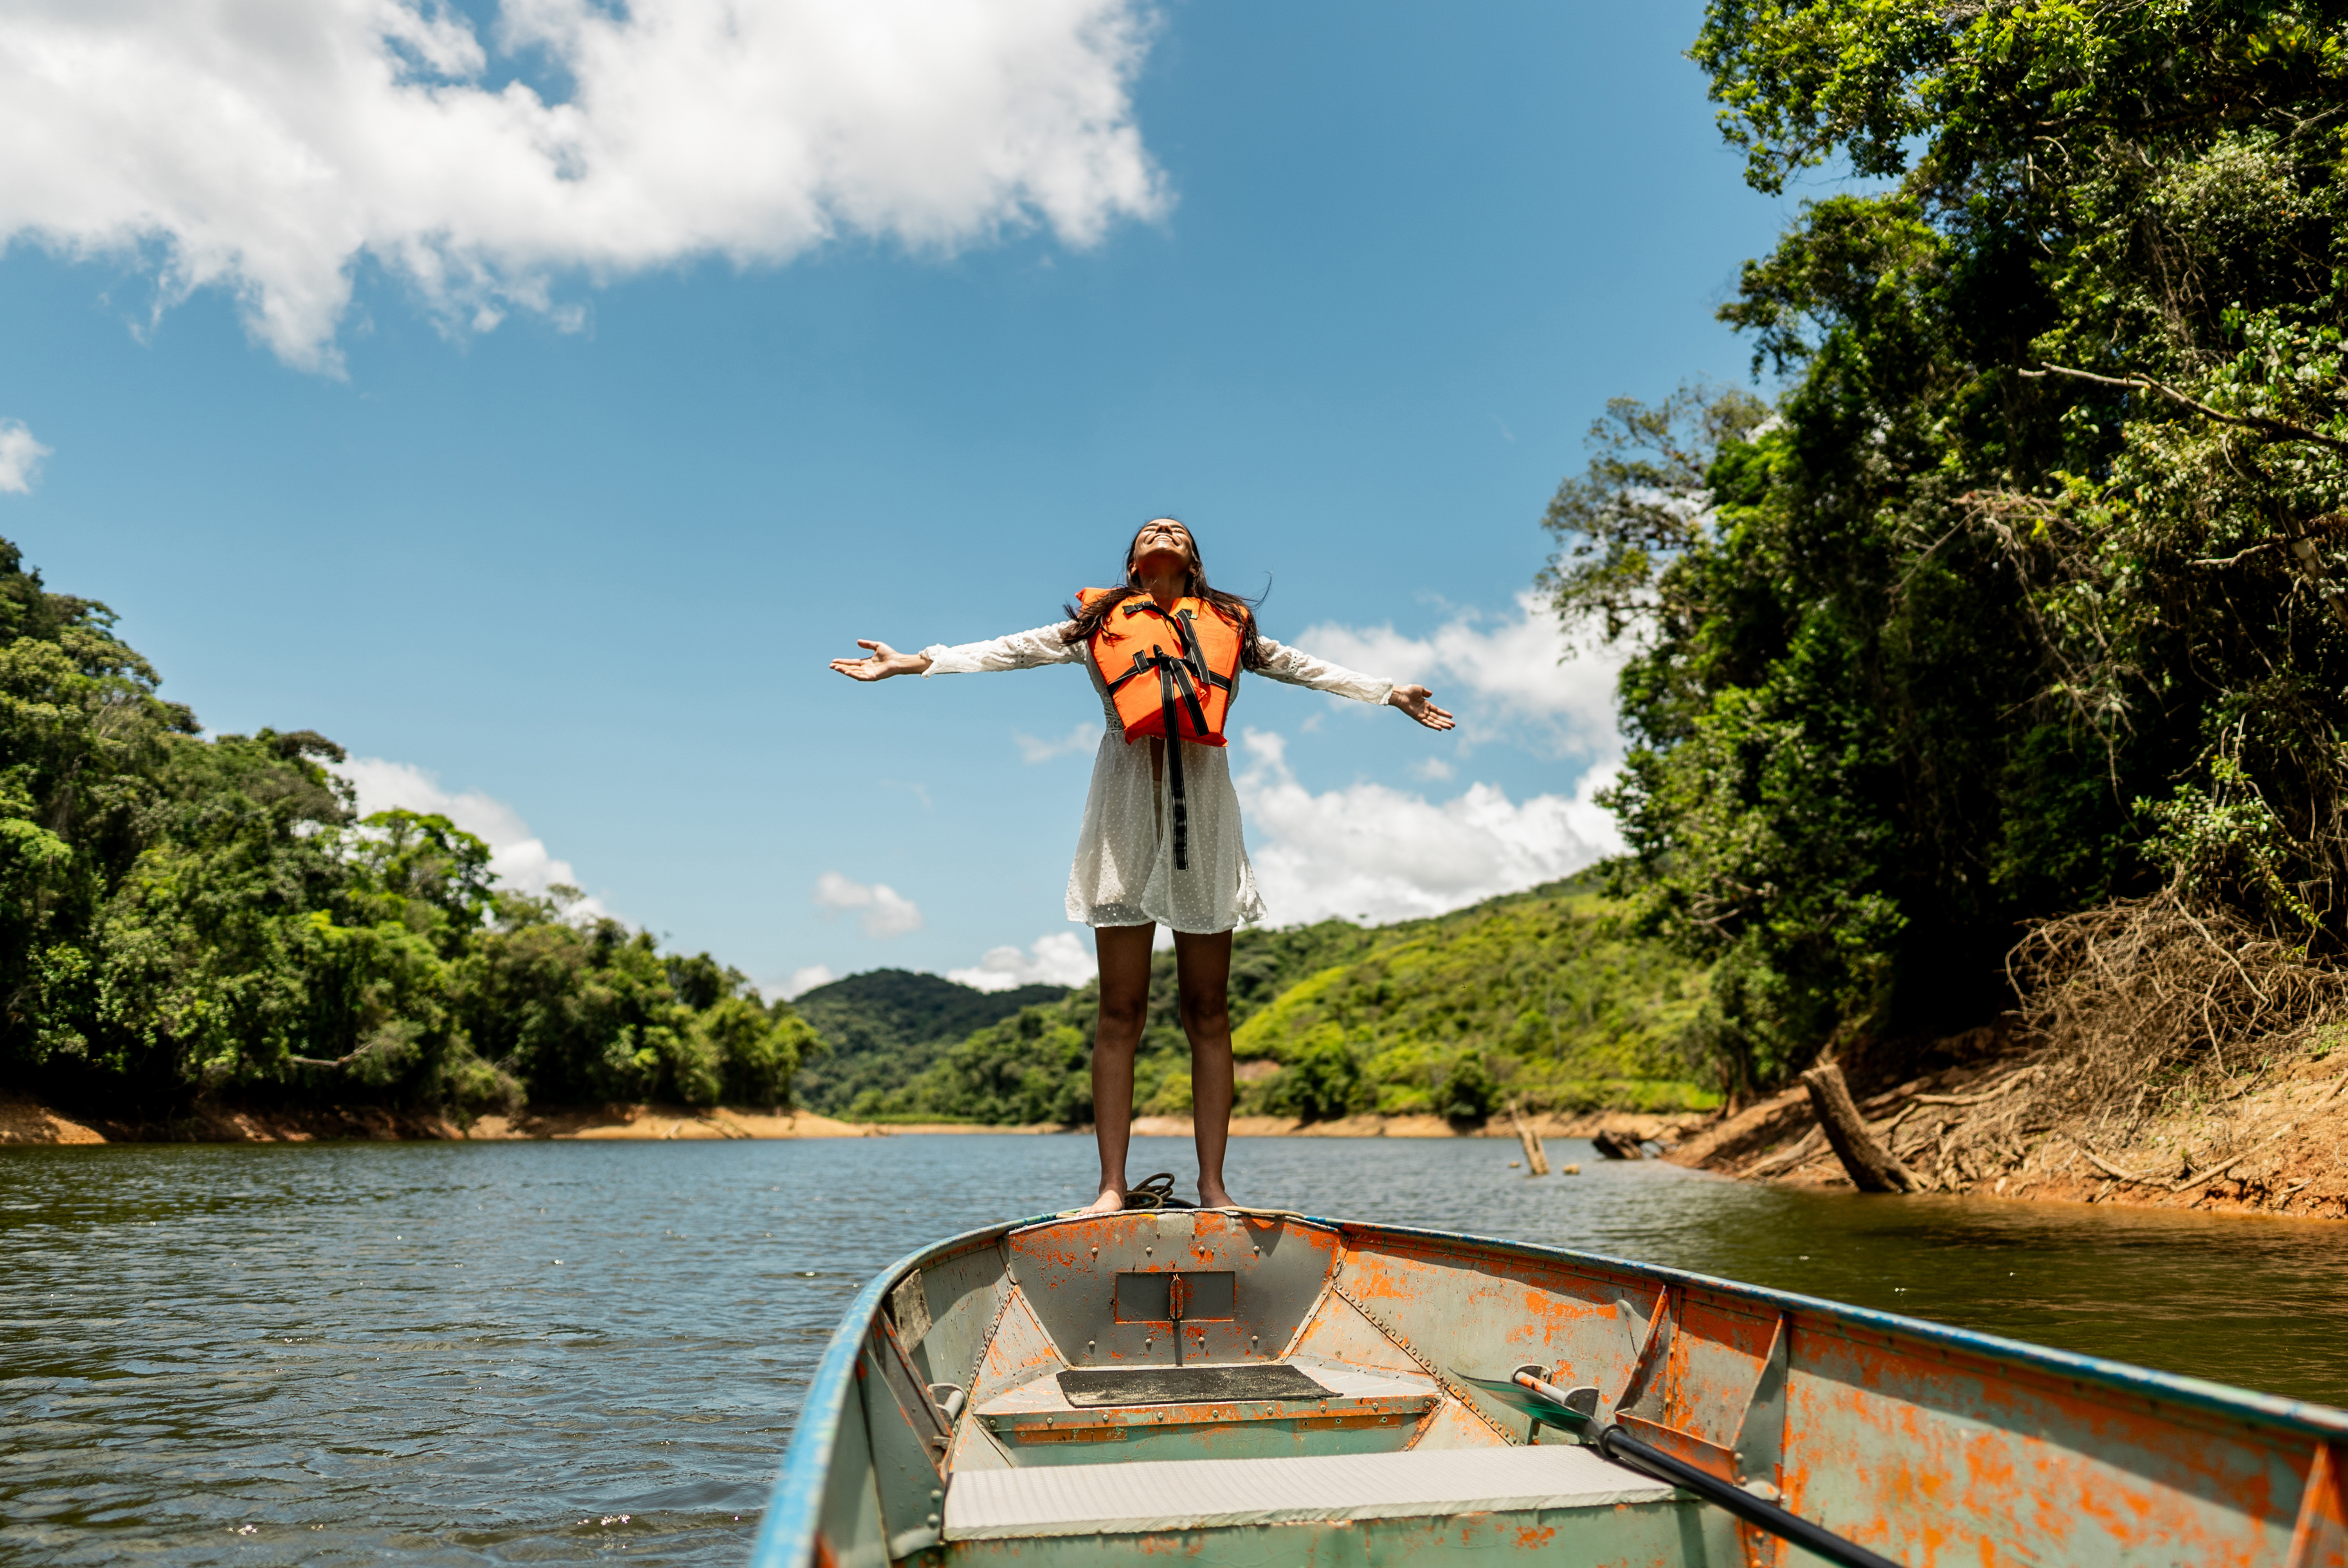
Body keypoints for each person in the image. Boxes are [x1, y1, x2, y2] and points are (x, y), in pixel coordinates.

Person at [829, 518, 1451, 1211]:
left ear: (1194, 560)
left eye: (1178, 530)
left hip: (1205, 818)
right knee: (1119, 1010)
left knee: (1207, 1010)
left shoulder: (1229, 626)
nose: (1165, 531)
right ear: (1132, 563)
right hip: (1125, 814)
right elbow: (1012, 650)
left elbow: (1305, 666)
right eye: (1152, 529)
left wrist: (1389, 691)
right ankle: (1110, 1189)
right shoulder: (1099, 622)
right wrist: (916, 661)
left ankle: (1214, 1187)